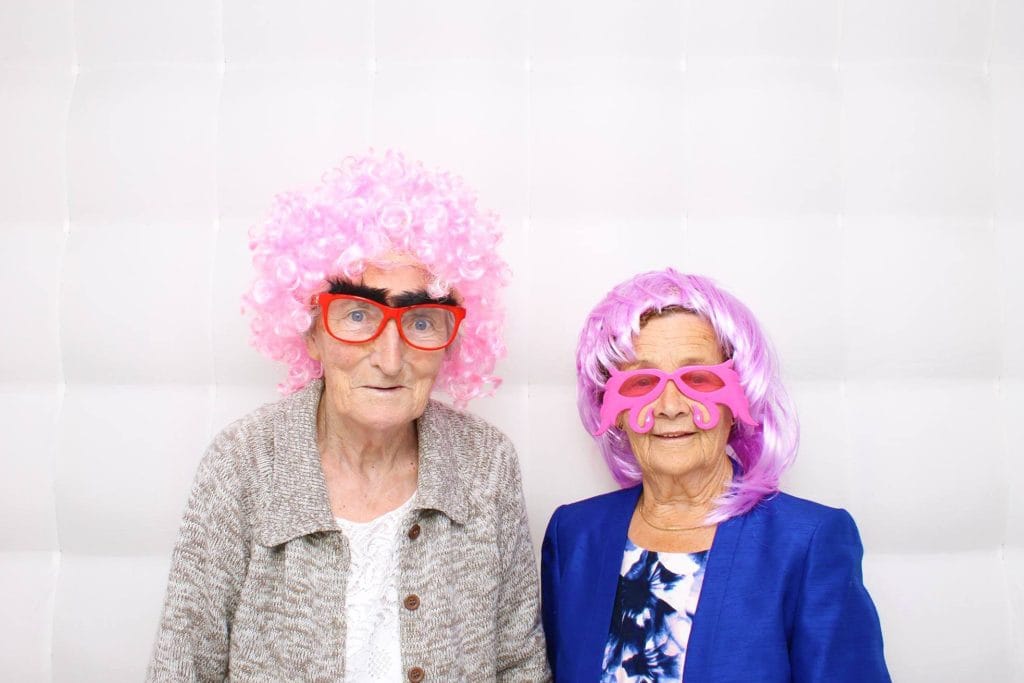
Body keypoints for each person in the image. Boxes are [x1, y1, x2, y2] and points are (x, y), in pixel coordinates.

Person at [147, 152, 549, 681]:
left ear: (451, 342)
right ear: (310, 328)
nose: (388, 358)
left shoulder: (486, 464)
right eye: (358, 315)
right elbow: (183, 667)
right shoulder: (244, 460)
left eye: (422, 320)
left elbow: (518, 665)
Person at [542, 268, 889, 682]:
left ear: (739, 395)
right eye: (640, 383)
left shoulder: (809, 541)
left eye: (699, 379)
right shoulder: (575, 535)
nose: (671, 406)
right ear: (611, 408)